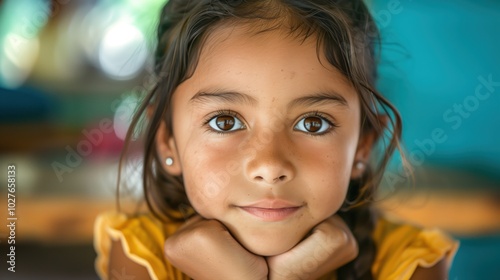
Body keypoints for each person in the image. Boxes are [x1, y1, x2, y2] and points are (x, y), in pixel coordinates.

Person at [94, 0, 458, 279]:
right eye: (225, 122)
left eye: (313, 123)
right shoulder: (143, 254)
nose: (269, 166)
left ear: (363, 144)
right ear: (168, 142)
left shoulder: (409, 263)